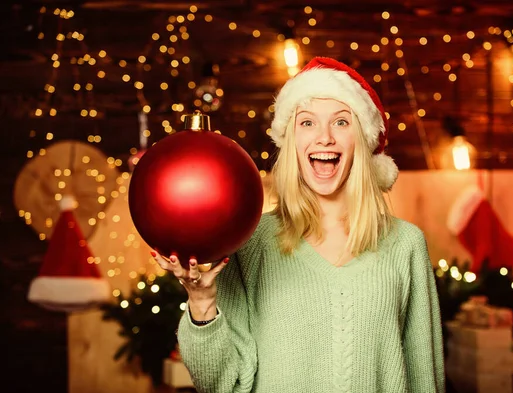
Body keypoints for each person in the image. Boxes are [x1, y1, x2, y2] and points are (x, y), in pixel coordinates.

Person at [152, 57, 445, 393]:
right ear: (291, 141)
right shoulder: (251, 241)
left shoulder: (405, 244)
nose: (324, 138)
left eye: (340, 122)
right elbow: (221, 384)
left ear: (363, 140)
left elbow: (426, 377)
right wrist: (201, 301)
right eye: (307, 123)